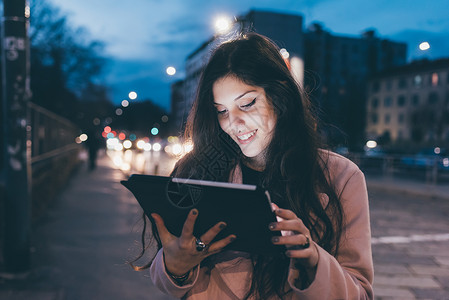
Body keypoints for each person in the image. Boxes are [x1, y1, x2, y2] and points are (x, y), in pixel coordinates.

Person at [136, 33, 373, 299]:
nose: (233, 123)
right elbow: (166, 275)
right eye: (221, 111)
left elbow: (360, 293)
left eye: (247, 104)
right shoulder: (196, 168)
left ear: (280, 95)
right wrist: (175, 267)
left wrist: (314, 262)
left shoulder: (341, 176)